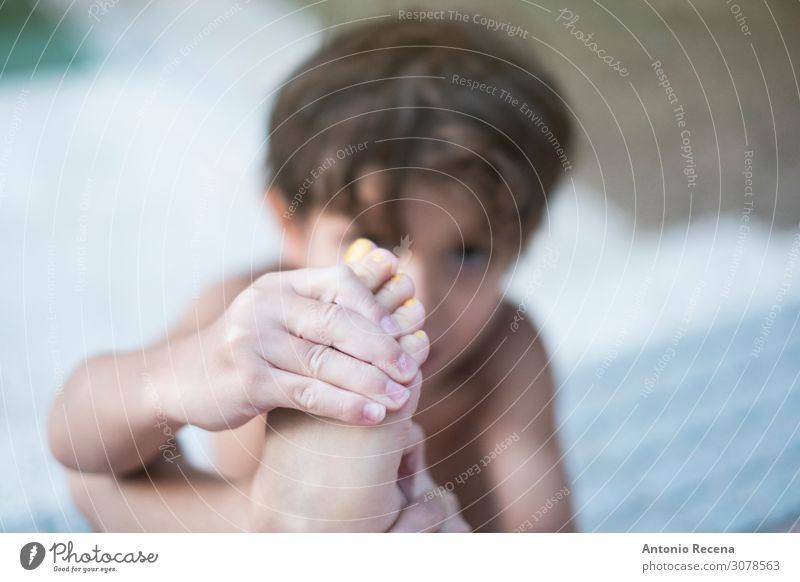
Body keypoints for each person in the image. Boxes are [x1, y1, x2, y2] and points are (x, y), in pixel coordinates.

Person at [49, 18, 574, 532]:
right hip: (247, 537)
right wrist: (183, 378)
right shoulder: (247, 315)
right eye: (374, 245)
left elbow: (547, 530)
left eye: (470, 253)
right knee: (95, 477)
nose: (420, 298)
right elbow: (75, 432)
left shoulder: (503, 354)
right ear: (290, 223)